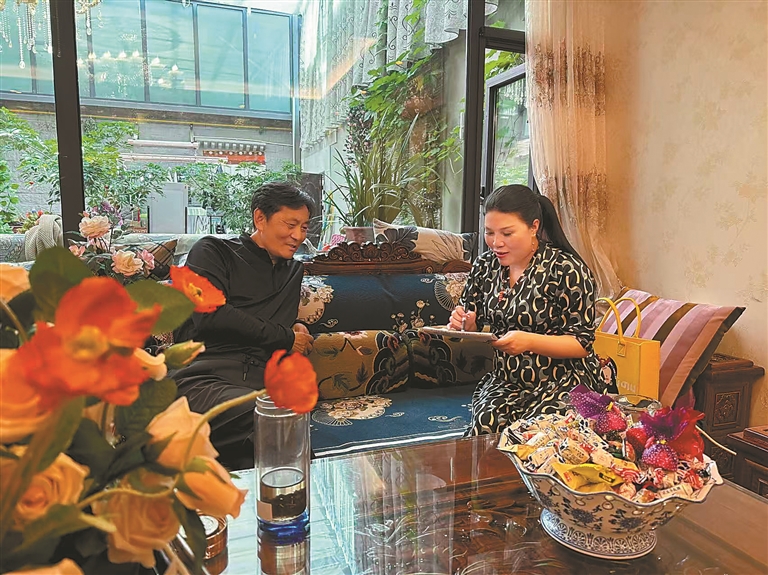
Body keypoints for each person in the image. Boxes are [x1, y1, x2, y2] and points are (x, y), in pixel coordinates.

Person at [172, 182, 315, 469]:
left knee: (275, 423)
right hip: (203, 377)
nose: (298, 236)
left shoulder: (293, 271)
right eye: (290, 225)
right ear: (260, 218)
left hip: (258, 385)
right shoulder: (213, 251)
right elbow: (211, 315)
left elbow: (272, 320)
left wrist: (296, 325)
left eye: (304, 227)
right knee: (276, 419)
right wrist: (286, 337)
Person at [449, 184, 612, 436]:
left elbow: (581, 343)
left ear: (534, 227)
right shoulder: (485, 266)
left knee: (534, 435)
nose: (496, 243)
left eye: (507, 233)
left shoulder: (566, 269)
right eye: (489, 233)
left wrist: (529, 341)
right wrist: (465, 323)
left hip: (563, 381)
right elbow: (473, 319)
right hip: (507, 381)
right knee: (485, 428)